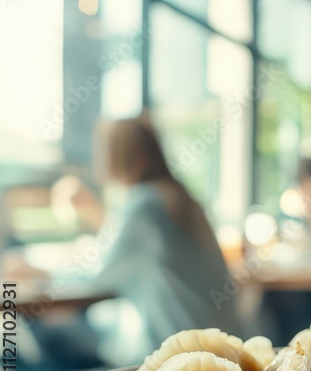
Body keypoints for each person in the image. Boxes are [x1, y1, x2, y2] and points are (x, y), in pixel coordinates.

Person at [64, 115, 241, 353]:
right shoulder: (179, 198)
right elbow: (131, 252)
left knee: (47, 333)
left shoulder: (144, 204)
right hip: (216, 345)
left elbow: (99, 278)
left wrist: (40, 273)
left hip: (168, 352)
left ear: (135, 158)